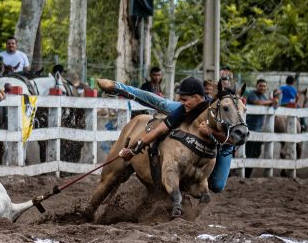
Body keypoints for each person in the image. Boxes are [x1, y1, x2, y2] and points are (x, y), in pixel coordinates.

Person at [97, 76, 234, 193]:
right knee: (161, 103)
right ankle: (118, 87)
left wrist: (211, 132)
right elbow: (159, 130)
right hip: (192, 117)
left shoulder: (221, 111)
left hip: (222, 146)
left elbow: (235, 138)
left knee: (217, 186)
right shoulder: (185, 108)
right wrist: (135, 149)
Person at [244, 79, 279, 178]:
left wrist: (275, 101)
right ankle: (245, 174)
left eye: (264, 86)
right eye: (260, 86)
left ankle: (247, 173)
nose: (262, 88)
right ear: (256, 86)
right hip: (250, 128)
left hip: (259, 130)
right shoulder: (252, 94)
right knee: (249, 152)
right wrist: (272, 101)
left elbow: (274, 106)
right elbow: (258, 103)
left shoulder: (264, 97)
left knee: (257, 153)